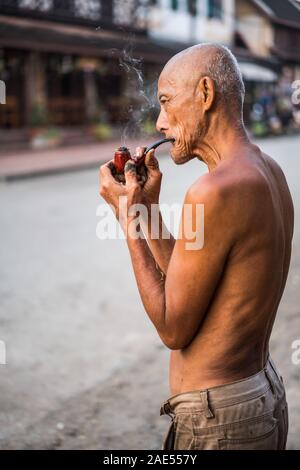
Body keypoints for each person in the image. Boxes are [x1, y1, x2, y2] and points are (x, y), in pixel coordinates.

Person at [99, 44, 294, 450]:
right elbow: (189, 285)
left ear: (205, 94)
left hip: (221, 420)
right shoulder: (266, 171)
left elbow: (173, 327)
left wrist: (127, 217)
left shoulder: (215, 190)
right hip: (256, 396)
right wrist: (148, 209)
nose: (161, 122)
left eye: (167, 102)